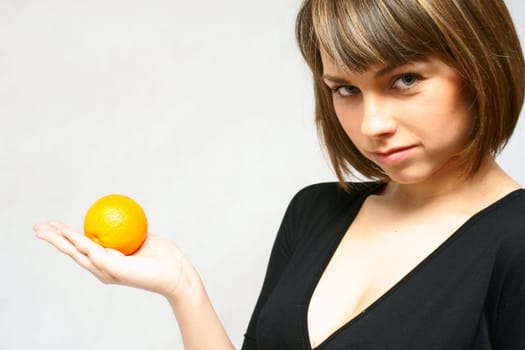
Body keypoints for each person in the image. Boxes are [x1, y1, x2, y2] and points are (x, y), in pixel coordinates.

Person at [34, 0, 525, 349]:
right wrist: (182, 287)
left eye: (406, 80)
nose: (373, 125)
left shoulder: (515, 242)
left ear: (478, 63)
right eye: (345, 90)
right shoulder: (315, 213)